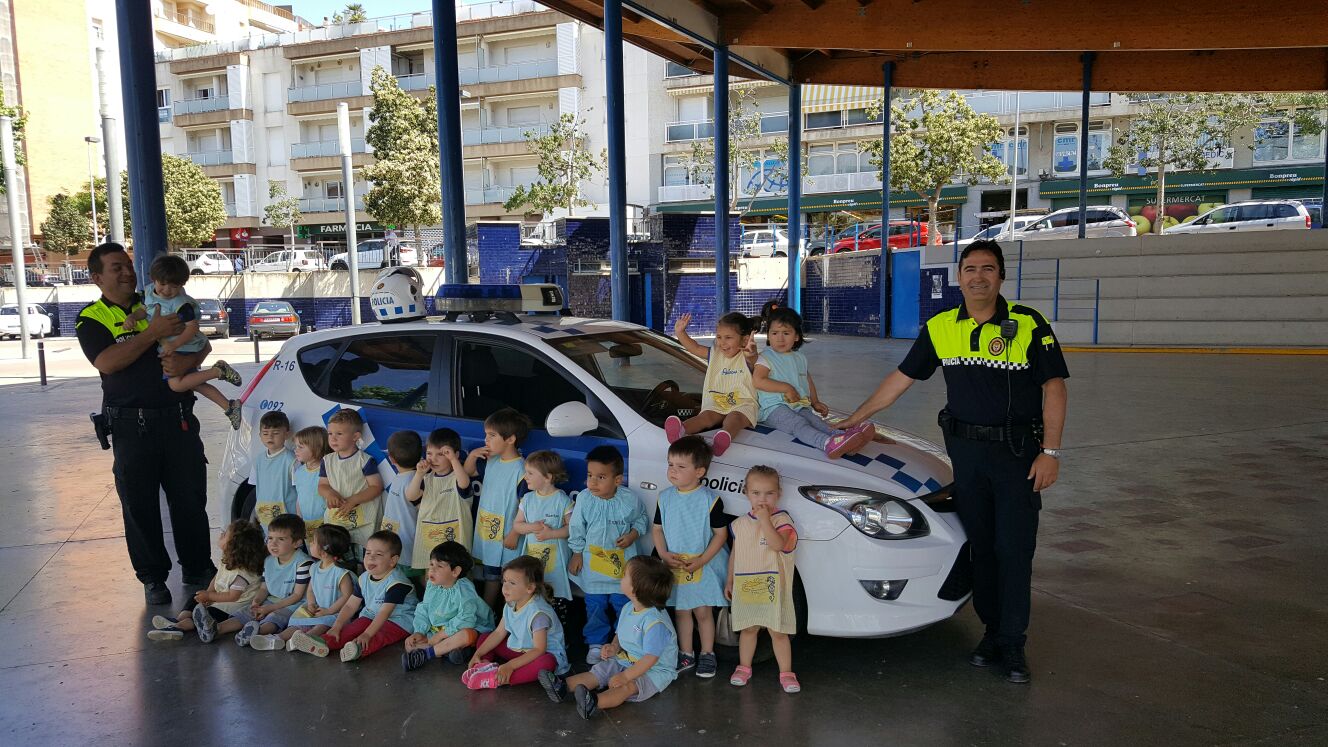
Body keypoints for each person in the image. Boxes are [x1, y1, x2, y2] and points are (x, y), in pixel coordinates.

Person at [837, 239, 1069, 685]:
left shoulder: (1028, 323)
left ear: (1001, 276)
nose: (978, 277)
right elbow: (901, 378)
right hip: (966, 455)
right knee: (981, 547)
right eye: (970, 269)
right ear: (959, 277)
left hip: (1017, 456)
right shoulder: (942, 327)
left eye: (988, 269)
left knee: (1014, 550)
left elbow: (1054, 388)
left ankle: (1013, 642)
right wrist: (854, 418)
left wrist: (1051, 452)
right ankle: (991, 632)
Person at [77, 242, 216, 606]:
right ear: (97, 277)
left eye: (128, 265)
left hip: (178, 421)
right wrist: (151, 333)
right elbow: (108, 362)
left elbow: (201, 344)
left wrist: (188, 363)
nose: (127, 272)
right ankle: (153, 578)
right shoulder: (92, 317)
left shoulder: (159, 296)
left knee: (190, 500)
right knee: (139, 507)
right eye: (116, 268)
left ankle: (198, 568)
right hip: (130, 426)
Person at [538, 556, 678, 720]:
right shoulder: (629, 607)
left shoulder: (655, 623)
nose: (620, 577)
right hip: (628, 659)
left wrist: (625, 676)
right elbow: (621, 632)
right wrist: (614, 647)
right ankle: (562, 686)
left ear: (635, 590)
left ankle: (594, 702)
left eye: (625, 575)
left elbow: (650, 659)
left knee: (627, 687)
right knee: (600, 671)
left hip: (654, 671)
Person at [122, 255, 244, 429]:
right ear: (153, 279)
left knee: (176, 384)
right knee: (195, 383)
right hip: (174, 344)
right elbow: (144, 309)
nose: (167, 290)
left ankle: (218, 371)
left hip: (186, 345)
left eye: (174, 286)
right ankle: (229, 407)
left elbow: (192, 327)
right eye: (162, 284)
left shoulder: (181, 303)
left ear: (182, 285)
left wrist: (175, 345)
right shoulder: (148, 292)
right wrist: (133, 317)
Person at [650, 436, 729, 679]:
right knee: (681, 611)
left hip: (701, 565)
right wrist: (663, 554)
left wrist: (702, 560)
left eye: (681, 466)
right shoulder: (664, 497)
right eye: (670, 464)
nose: (673, 471)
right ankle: (686, 654)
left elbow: (721, 535)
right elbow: (657, 530)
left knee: (702, 612)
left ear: (699, 472)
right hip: (675, 565)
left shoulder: (709, 500)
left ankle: (707, 653)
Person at [755, 306, 874, 459]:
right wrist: (787, 388)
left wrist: (815, 401)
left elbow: (806, 379)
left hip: (798, 405)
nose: (780, 338)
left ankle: (844, 439)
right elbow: (758, 380)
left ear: (796, 336)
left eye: (786, 333)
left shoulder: (799, 357)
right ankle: (826, 443)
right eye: (774, 333)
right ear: (768, 335)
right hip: (773, 408)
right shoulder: (766, 357)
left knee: (816, 421)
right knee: (798, 424)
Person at [567, 445, 648, 665]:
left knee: (624, 605)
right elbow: (577, 528)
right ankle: (596, 643)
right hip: (593, 568)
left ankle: (624, 642)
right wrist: (576, 553)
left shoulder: (629, 500)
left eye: (601, 477)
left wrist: (632, 535)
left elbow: (641, 519)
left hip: (621, 570)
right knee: (595, 606)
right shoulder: (584, 499)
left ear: (618, 480)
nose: (593, 482)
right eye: (590, 475)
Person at [725, 465, 800, 693]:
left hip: (774, 588)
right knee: (749, 629)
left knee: (778, 631)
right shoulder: (740, 524)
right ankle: (744, 667)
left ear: (778, 494)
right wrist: (730, 580)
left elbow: (778, 545)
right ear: (746, 493)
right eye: (756, 493)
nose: (762, 499)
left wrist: (765, 520)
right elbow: (736, 553)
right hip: (748, 585)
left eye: (769, 493)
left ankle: (786, 672)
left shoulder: (782, 520)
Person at [289, 530, 418, 662]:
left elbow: (384, 613)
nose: (371, 558)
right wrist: (337, 626)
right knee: (350, 629)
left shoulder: (397, 583)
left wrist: (367, 634)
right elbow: (350, 606)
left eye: (378, 554)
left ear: (393, 560)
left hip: (398, 621)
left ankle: (357, 650)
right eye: (368, 553)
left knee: (378, 636)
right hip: (371, 614)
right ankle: (322, 643)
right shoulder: (364, 578)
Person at [146, 520, 266, 642]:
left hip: (230, 607)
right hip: (219, 598)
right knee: (195, 597)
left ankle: (179, 628)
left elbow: (233, 596)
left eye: (225, 534)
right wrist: (208, 593)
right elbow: (217, 578)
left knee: (207, 615)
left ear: (233, 547)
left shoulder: (242, 574)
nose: (221, 534)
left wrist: (210, 596)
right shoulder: (228, 560)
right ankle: (179, 619)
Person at [461, 555, 569, 689]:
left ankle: (498, 679)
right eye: (504, 581)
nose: (505, 587)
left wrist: (510, 665)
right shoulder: (511, 602)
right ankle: (484, 667)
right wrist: (478, 654)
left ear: (530, 588)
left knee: (547, 663)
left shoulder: (538, 614)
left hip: (538, 655)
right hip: (521, 650)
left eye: (512, 583)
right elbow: (498, 633)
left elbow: (539, 650)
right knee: (485, 637)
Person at [465, 408, 532, 609]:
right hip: (488, 531)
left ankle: (507, 615)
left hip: (508, 536)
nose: (486, 440)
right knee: (490, 574)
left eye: (492, 435)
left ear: (510, 439)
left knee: (508, 577)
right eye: (486, 434)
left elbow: (527, 506)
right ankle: (489, 613)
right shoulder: (492, 461)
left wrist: (514, 533)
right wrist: (473, 455)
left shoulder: (521, 470)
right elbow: (468, 472)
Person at [665, 311, 758, 456]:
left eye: (728, 337)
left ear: (744, 340)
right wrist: (680, 332)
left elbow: (752, 357)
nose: (722, 343)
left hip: (743, 403)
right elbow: (694, 348)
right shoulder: (715, 353)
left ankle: (724, 437)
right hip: (717, 401)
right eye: (719, 337)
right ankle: (681, 429)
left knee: (734, 418)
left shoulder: (746, 356)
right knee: (705, 417)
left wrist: (751, 352)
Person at [402, 541, 496, 672]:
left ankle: (427, 653)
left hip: (470, 628)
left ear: (455, 571)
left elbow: (466, 620)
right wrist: (419, 632)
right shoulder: (432, 585)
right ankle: (451, 651)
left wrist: (440, 636)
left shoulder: (464, 590)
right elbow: (424, 608)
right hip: (441, 630)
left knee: (465, 635)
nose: (432, 570)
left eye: (439, 566)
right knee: (410, 644)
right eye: (431, 564)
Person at [234, 514, 314, 650]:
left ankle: (257, 633)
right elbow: (264, 588)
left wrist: (269, 608)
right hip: (271, 600)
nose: (273, 543)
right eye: (270, 538)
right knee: (246, 611)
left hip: (293, 604)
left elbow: (297, 595)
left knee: (275, 617)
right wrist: (256, 602)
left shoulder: (303, 563)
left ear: (297, 543)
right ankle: (217, 628)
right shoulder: (268, 561)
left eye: (281, 539)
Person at [318, 409, 384, 563]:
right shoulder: (327, 460)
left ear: (355, 436)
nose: (333, 438)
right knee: (339, 559)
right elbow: (322, 485)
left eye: (339, 434)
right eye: (330, 433)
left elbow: (376, 487)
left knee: (365, 560)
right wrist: (329, 494)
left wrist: (353, 500)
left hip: (363, 521)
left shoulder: (365, 460)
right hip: (337, 521)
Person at [513, 450, 574, 614]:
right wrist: (532, 527)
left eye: (530, 473)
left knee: (554, 598)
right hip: (532, 559)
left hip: (557, 563)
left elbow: (572, 529)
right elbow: (517, 525)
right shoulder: (527, 499)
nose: (525, 477)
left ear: (547, 477)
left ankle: (557, 628)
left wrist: (551, 534)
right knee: (533, 593)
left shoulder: (562, 500)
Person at [406, 428, 473, 569]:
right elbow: (411, 496)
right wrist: (419, 474)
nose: (433, 459)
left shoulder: (457, 477)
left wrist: (454, 460)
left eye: (441, 454)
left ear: (455, 455)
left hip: (454, 539)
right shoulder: (426, 478)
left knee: (456, 571)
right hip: (429, 536)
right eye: (429, 453)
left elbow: (464, 483)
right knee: (430, 571)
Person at [280, 524, 356, 647]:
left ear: (324, 553)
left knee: (323, 624)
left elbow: (347, 596)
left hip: (336, 611)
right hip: (318, 608)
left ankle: (306, 639)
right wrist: (311, 604)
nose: (310, 543)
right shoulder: (314, 567)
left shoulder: (340, 572)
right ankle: (279, 638)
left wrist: (329, 611)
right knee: (300, 621)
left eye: (314, 542)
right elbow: (310, 590)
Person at [379, 430, 423, 583]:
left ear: (391, 459)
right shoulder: (408, 478)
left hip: (408, 547)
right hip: (398, 544)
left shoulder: (415, 481)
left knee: (410, 582)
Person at [251, 412, 298, 534]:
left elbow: (300, 489)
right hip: (264, 515)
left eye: (276, 433)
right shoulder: (258, 460)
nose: (270, 437)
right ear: (260, 435)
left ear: (286, 434)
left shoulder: (291, 460)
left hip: (286, 517)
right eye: (265, 433)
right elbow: (257, 488)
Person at [291, 426, 331, 534]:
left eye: (300, 447)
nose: (295, 450)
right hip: (306, 524)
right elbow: (300, 497)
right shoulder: (299, 471)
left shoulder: (328, 470)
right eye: (295, 446)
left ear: (317, 448)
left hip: (326, 524)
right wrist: (299, 518)